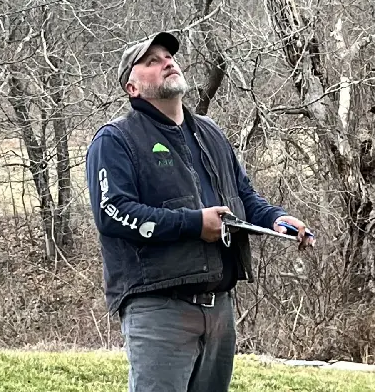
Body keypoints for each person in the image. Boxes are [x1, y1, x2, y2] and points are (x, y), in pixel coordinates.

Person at [86, 31, 314, 392]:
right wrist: (194, 224)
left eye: (168, 57)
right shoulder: (115, 140)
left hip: (221, 309)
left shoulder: (209, 132)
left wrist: (274, 218)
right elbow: (112, 212)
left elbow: (243, 196)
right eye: (151, 61)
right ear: (131, 87)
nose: (166, 62)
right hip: (159, 308)